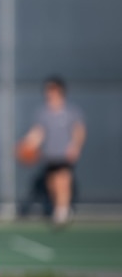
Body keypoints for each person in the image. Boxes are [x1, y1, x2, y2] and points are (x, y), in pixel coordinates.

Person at [18, 75, 86, 226]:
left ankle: (62, 212)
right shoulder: (43, 113)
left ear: (60, 90)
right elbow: (38, 132)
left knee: (63, 181)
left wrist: (75, 146)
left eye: (53, 90)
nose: (49, 93)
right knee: (52, 184)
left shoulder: (70, 111)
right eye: (48, 90)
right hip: (50, 155)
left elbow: (79, 130)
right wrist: (26, 143)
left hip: (64, 154)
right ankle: (58, 208)